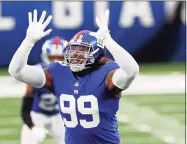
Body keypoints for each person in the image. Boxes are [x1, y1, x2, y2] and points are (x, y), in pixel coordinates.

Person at [9, 9, 139, 144]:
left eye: (81, 51)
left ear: (96, 53)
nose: (74, 56)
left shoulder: (107, 75)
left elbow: (132, 70)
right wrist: (28, 41)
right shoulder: (58, 72)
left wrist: (108, 41)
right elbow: (16, 71)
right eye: (73, 50)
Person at [20, 36, 67, 144]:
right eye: (52, 57)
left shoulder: (71, 74)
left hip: (60, 115)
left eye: (59, 57)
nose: (56, 61)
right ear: (46, 56)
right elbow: (25, 107)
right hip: (38, 114)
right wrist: (32, 126)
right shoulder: (36, 72)